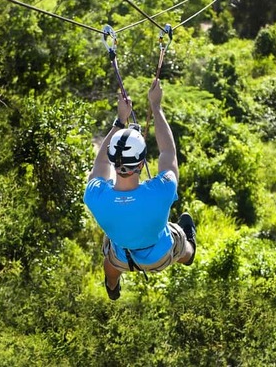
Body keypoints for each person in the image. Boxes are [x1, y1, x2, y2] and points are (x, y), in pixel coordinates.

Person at [84, 79, 196, 300]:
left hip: (122, 255)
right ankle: (189, 253)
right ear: (142, 163)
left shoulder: (94, 196)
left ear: (112, 160)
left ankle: (112, 284)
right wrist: (156, 106)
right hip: (160, 255)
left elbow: (100, 166)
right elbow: (168, 154)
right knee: (181, 244)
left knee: (111, 262)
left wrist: (119, 121)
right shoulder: (161, 192)